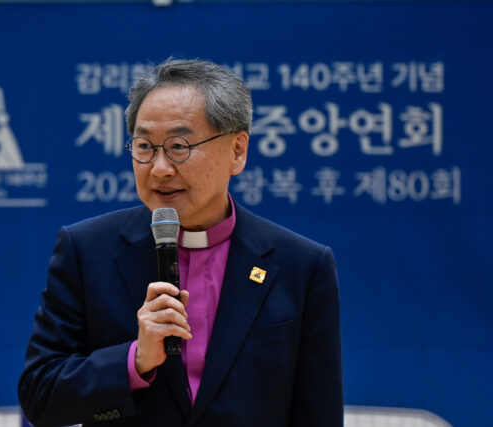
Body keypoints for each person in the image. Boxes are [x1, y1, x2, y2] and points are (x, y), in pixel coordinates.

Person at [18, 58, 343, 426]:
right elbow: (39, 394)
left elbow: (319, 414)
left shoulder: (301, 265)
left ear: (237, 151)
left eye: (179, 146)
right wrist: (134, 360)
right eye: (145, 146)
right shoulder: (86, 250)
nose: (160, 168)